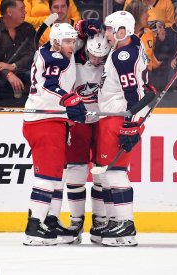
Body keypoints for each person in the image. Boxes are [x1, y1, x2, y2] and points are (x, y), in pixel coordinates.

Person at [22, 22, 87, 246]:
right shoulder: (56, 58)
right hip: (44, 120)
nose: (73, 45)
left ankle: (49, 220)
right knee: (48, 177)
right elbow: (51, 83)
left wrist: (82, 27)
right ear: (57, 42)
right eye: (68, 41)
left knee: (58, 176)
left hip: (53, 119)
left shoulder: (47, 51)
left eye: (73, 40)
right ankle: (34, 227)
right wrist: (67, 98)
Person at [96, 10, 151, 247]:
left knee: (114, 171)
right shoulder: (129, 49)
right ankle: (114, 221)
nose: (106, 34)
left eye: (110, 30)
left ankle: (125, 226)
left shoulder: (123, 56)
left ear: (122, 31)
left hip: (119, 117)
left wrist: (131, 125)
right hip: (115, 115)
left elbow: (134, 94)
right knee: (108, 171)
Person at [64, 21, 111, 244]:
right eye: (92, 55)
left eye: (99, 57)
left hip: (103, 121)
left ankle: (100, 221)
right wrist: (83, 26)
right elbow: (72, 35)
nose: (95, 60)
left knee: (102, 172)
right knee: (76, 171)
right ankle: (76, 220)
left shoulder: (111, 61)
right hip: (79, 121)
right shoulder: (73, 58)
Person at [0, 0, 35, 104]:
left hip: (22, 69)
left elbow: (31, 54)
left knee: (34, 75)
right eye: (21, 9)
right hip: (0, 73)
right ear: (9, 11)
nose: (25, 12)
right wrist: (8, 73)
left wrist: (13, 66)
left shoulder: (28, 28)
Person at [126, 0, 163, 71]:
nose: (148, 15)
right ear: (137, 15)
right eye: (145, 12)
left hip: (149, 77)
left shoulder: (149, 33)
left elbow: (153, 60)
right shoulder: (124, 38)